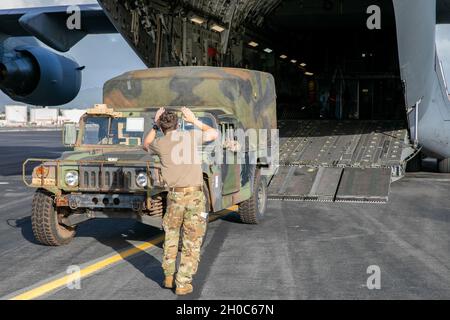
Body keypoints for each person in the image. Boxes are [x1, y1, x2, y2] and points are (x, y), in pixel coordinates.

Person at [143, 107, 219, 295]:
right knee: (191, 240)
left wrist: (155, 123)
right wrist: (194, 120)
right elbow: (214, 134)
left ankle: (169, 277)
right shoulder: (191, 136)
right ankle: (183, 282)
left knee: (171, 236)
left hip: (174, 197)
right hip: (194, 196)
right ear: (178, 124)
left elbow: (146, 144)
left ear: (161, 126)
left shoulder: (159, 143)